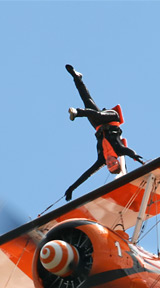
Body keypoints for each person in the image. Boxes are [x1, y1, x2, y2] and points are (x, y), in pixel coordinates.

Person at [64, 64, 145, 201]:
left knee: (87, 99)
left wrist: (72, 188)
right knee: (97, 114)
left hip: (99, 124)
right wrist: (138, 159)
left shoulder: (101, 159)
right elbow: (129, 151)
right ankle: (78, 113)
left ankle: (77, 77)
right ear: (117, 161)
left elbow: (87, 174)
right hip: (112, 118)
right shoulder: (119, 150)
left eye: (109, 166)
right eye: (114, 163)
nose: (109, 163)